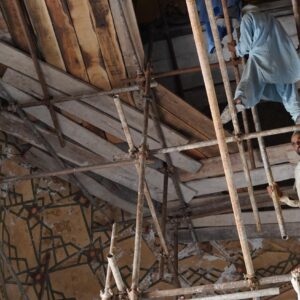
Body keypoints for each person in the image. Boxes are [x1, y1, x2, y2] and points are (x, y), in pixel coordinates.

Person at [221, 4, 300, 124]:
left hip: (262, 56)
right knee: (287, 88)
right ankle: (297, 115)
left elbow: (246, 45)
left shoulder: (248, 18)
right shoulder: (272, 19)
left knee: (251, 79)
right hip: (281, 58)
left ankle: (240, 101)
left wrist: (236, 50)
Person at [267, 131, 300, 208]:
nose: (297, 144)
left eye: (299, 140)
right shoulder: (298, 170)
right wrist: (281, 196)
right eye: (294, 143)